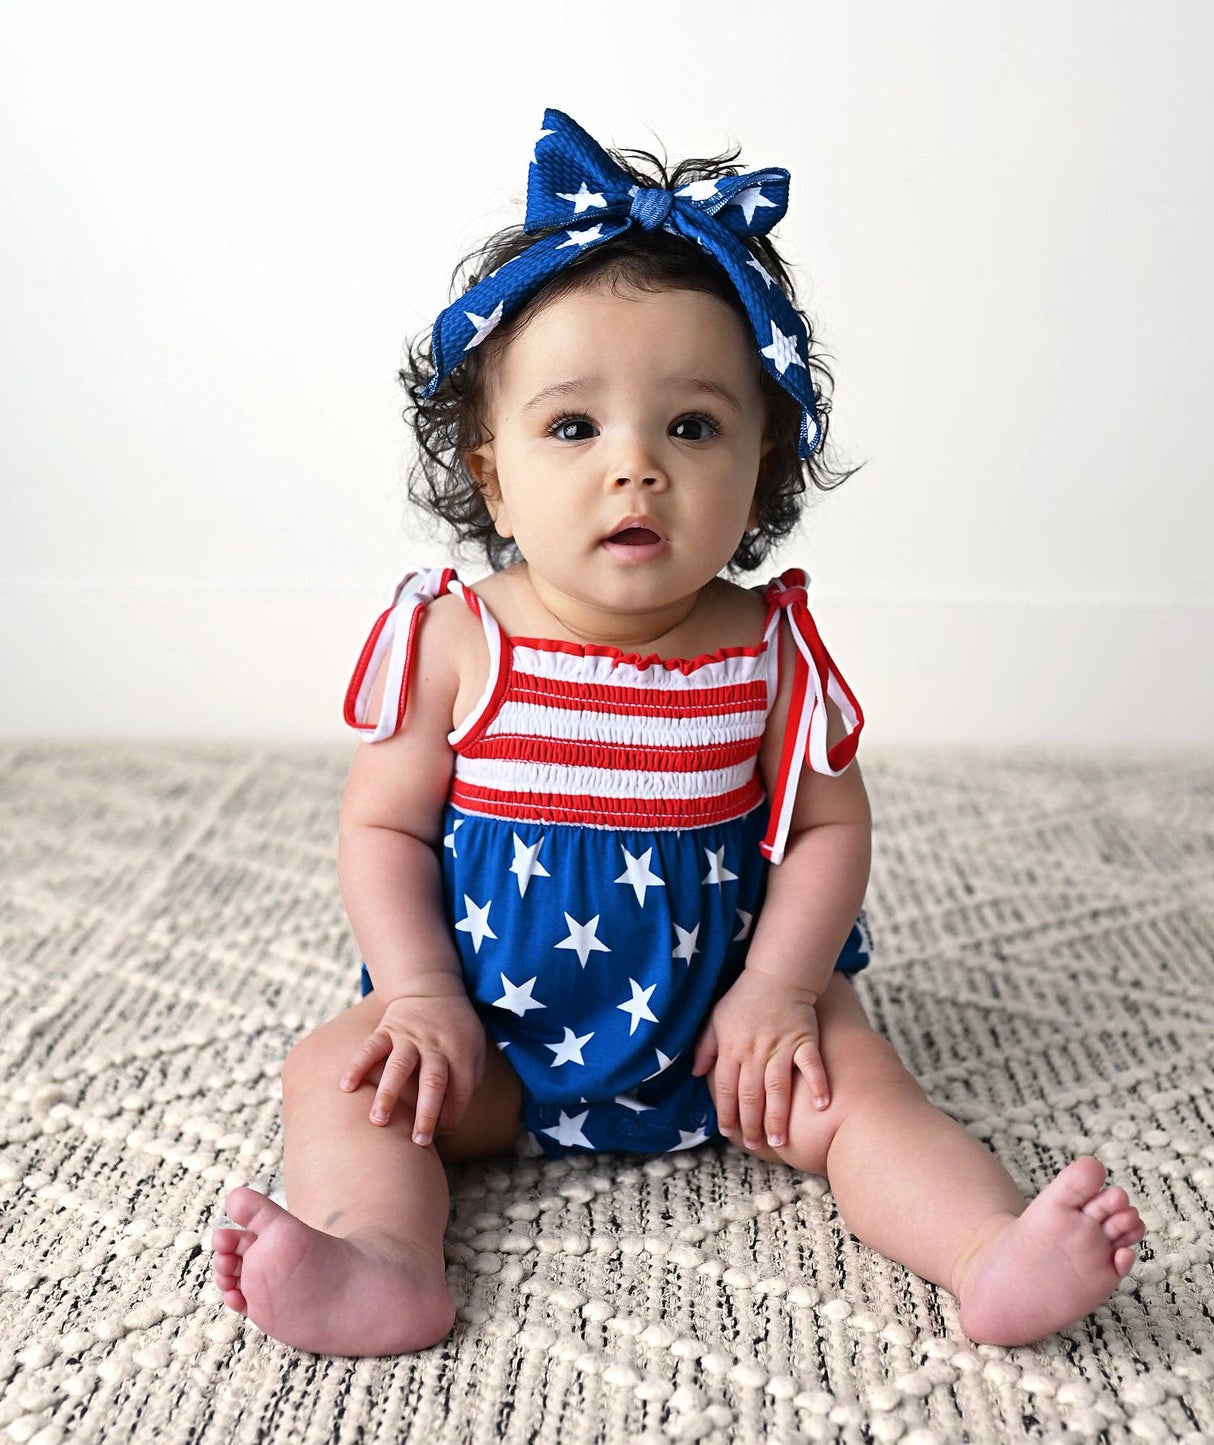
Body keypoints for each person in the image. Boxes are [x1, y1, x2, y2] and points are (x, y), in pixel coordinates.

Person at [210, 107, 1145, 1358]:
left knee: (864, 1093)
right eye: (573, 427)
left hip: (726, 1035)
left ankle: (981, 1248)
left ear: (762, 467)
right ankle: (381, 1258)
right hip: (491, 1032)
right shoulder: (454, 640)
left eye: (691, 426)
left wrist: (780, 991)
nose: (634, 467)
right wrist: (424, 993)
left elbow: (826, 829)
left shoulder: (769, 651)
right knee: (342, 1073)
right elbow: (379, 822)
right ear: (489, 474)